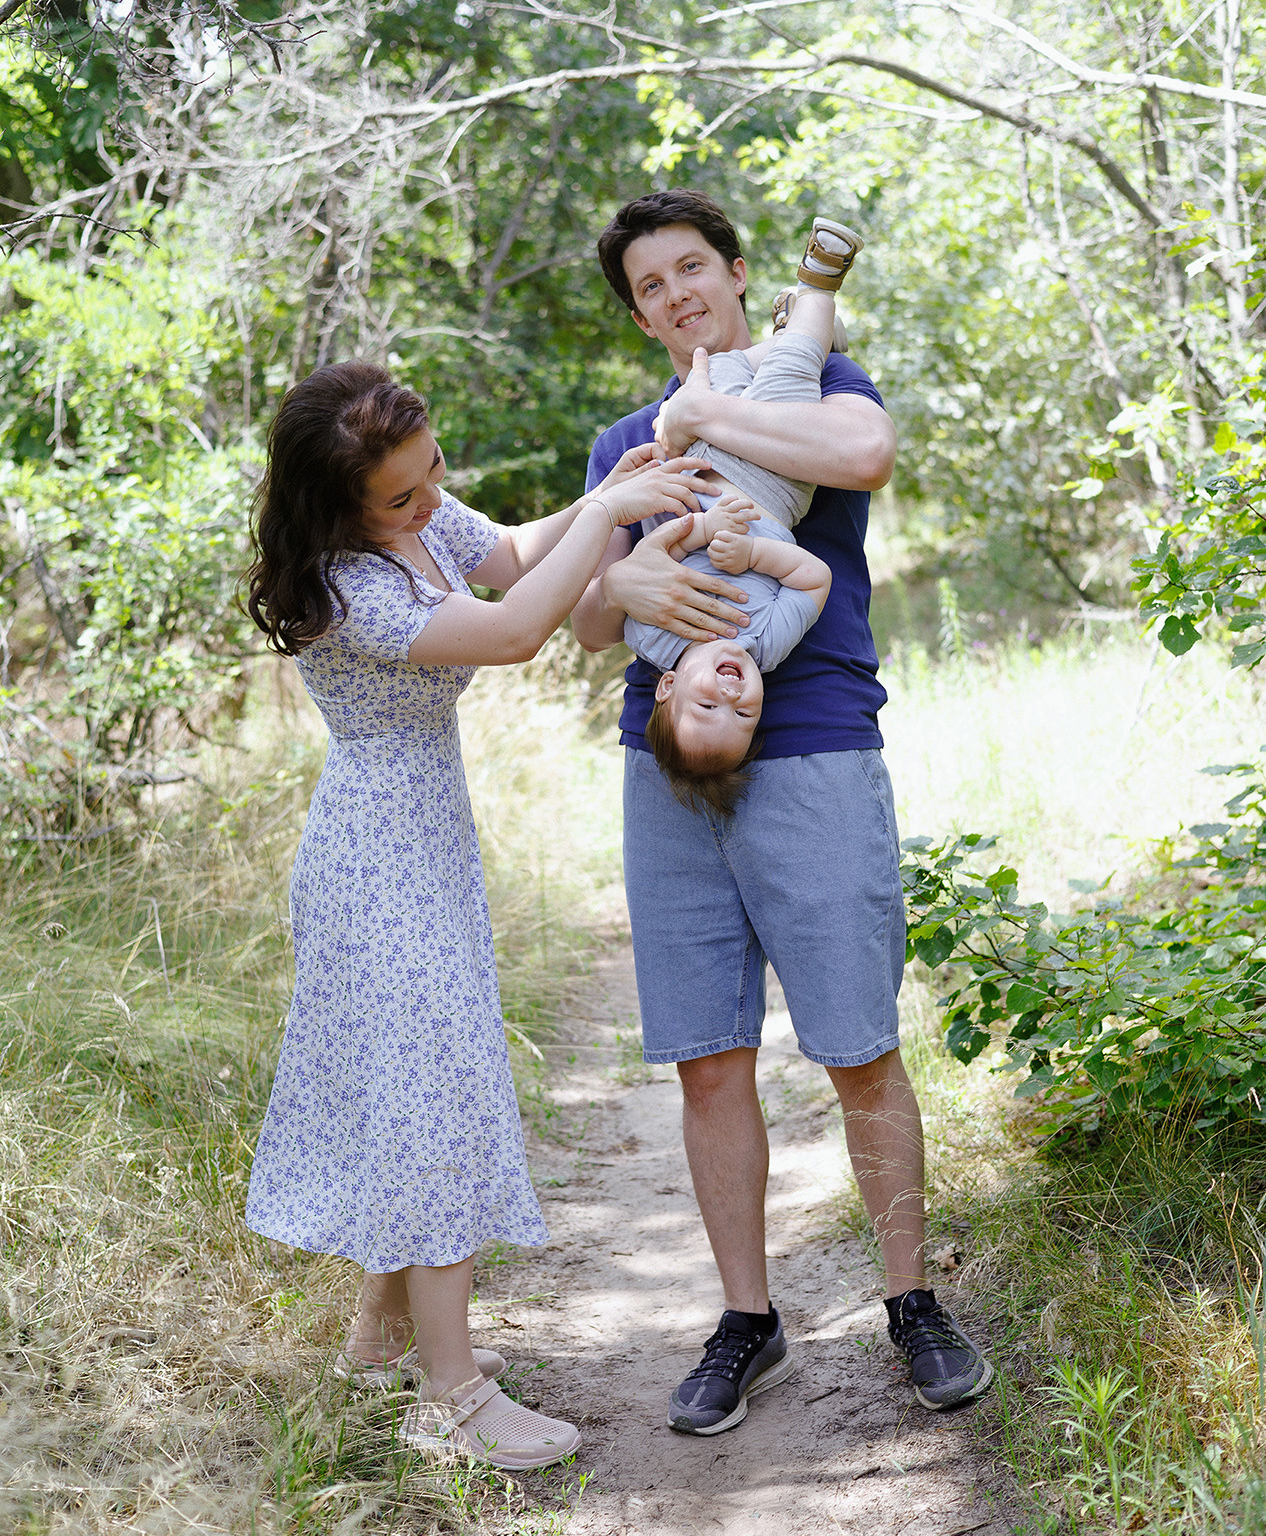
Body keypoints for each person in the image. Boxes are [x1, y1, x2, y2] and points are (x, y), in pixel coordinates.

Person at [573, 190, 993, 1430]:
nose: (675, 295)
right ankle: (746, 1321)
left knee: (858, 1045)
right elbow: (592, 619)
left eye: (691, 268)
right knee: (709, 1057)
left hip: (810, 749)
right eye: (650, 287)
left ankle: (910, 1299)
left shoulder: (822, 379)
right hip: (666, 764)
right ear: (641, 312)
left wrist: (713, 414)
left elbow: (863, 459)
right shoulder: (626, 442)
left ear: (740, 272)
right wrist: (624, 574)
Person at [244, 359, 710, 1470]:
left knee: (421, 1091)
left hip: (423, 840)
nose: (427, 497)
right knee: (433, 1103)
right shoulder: (344, 587)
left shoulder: (413, 509)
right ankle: (449, 1396)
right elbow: (511, 629)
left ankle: (380, 1337)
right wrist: (606, 515)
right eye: (402, 495)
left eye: (431, 471)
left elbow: (505, 553)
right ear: (336, 507)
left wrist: (617, 488)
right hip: (374, 855)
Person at [626, 217, 862, 801]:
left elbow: (649, 569)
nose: (732, 699)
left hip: (692, 467)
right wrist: (755, 550)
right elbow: (812, 579)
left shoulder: (656, 644)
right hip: (771, 484)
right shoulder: (765, 644)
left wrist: (701, 530)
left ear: (669, 686)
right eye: (743, 717)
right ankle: (817, 294)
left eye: (708, 704)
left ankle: (802, 333)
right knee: (790, 370)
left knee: (725, 374)